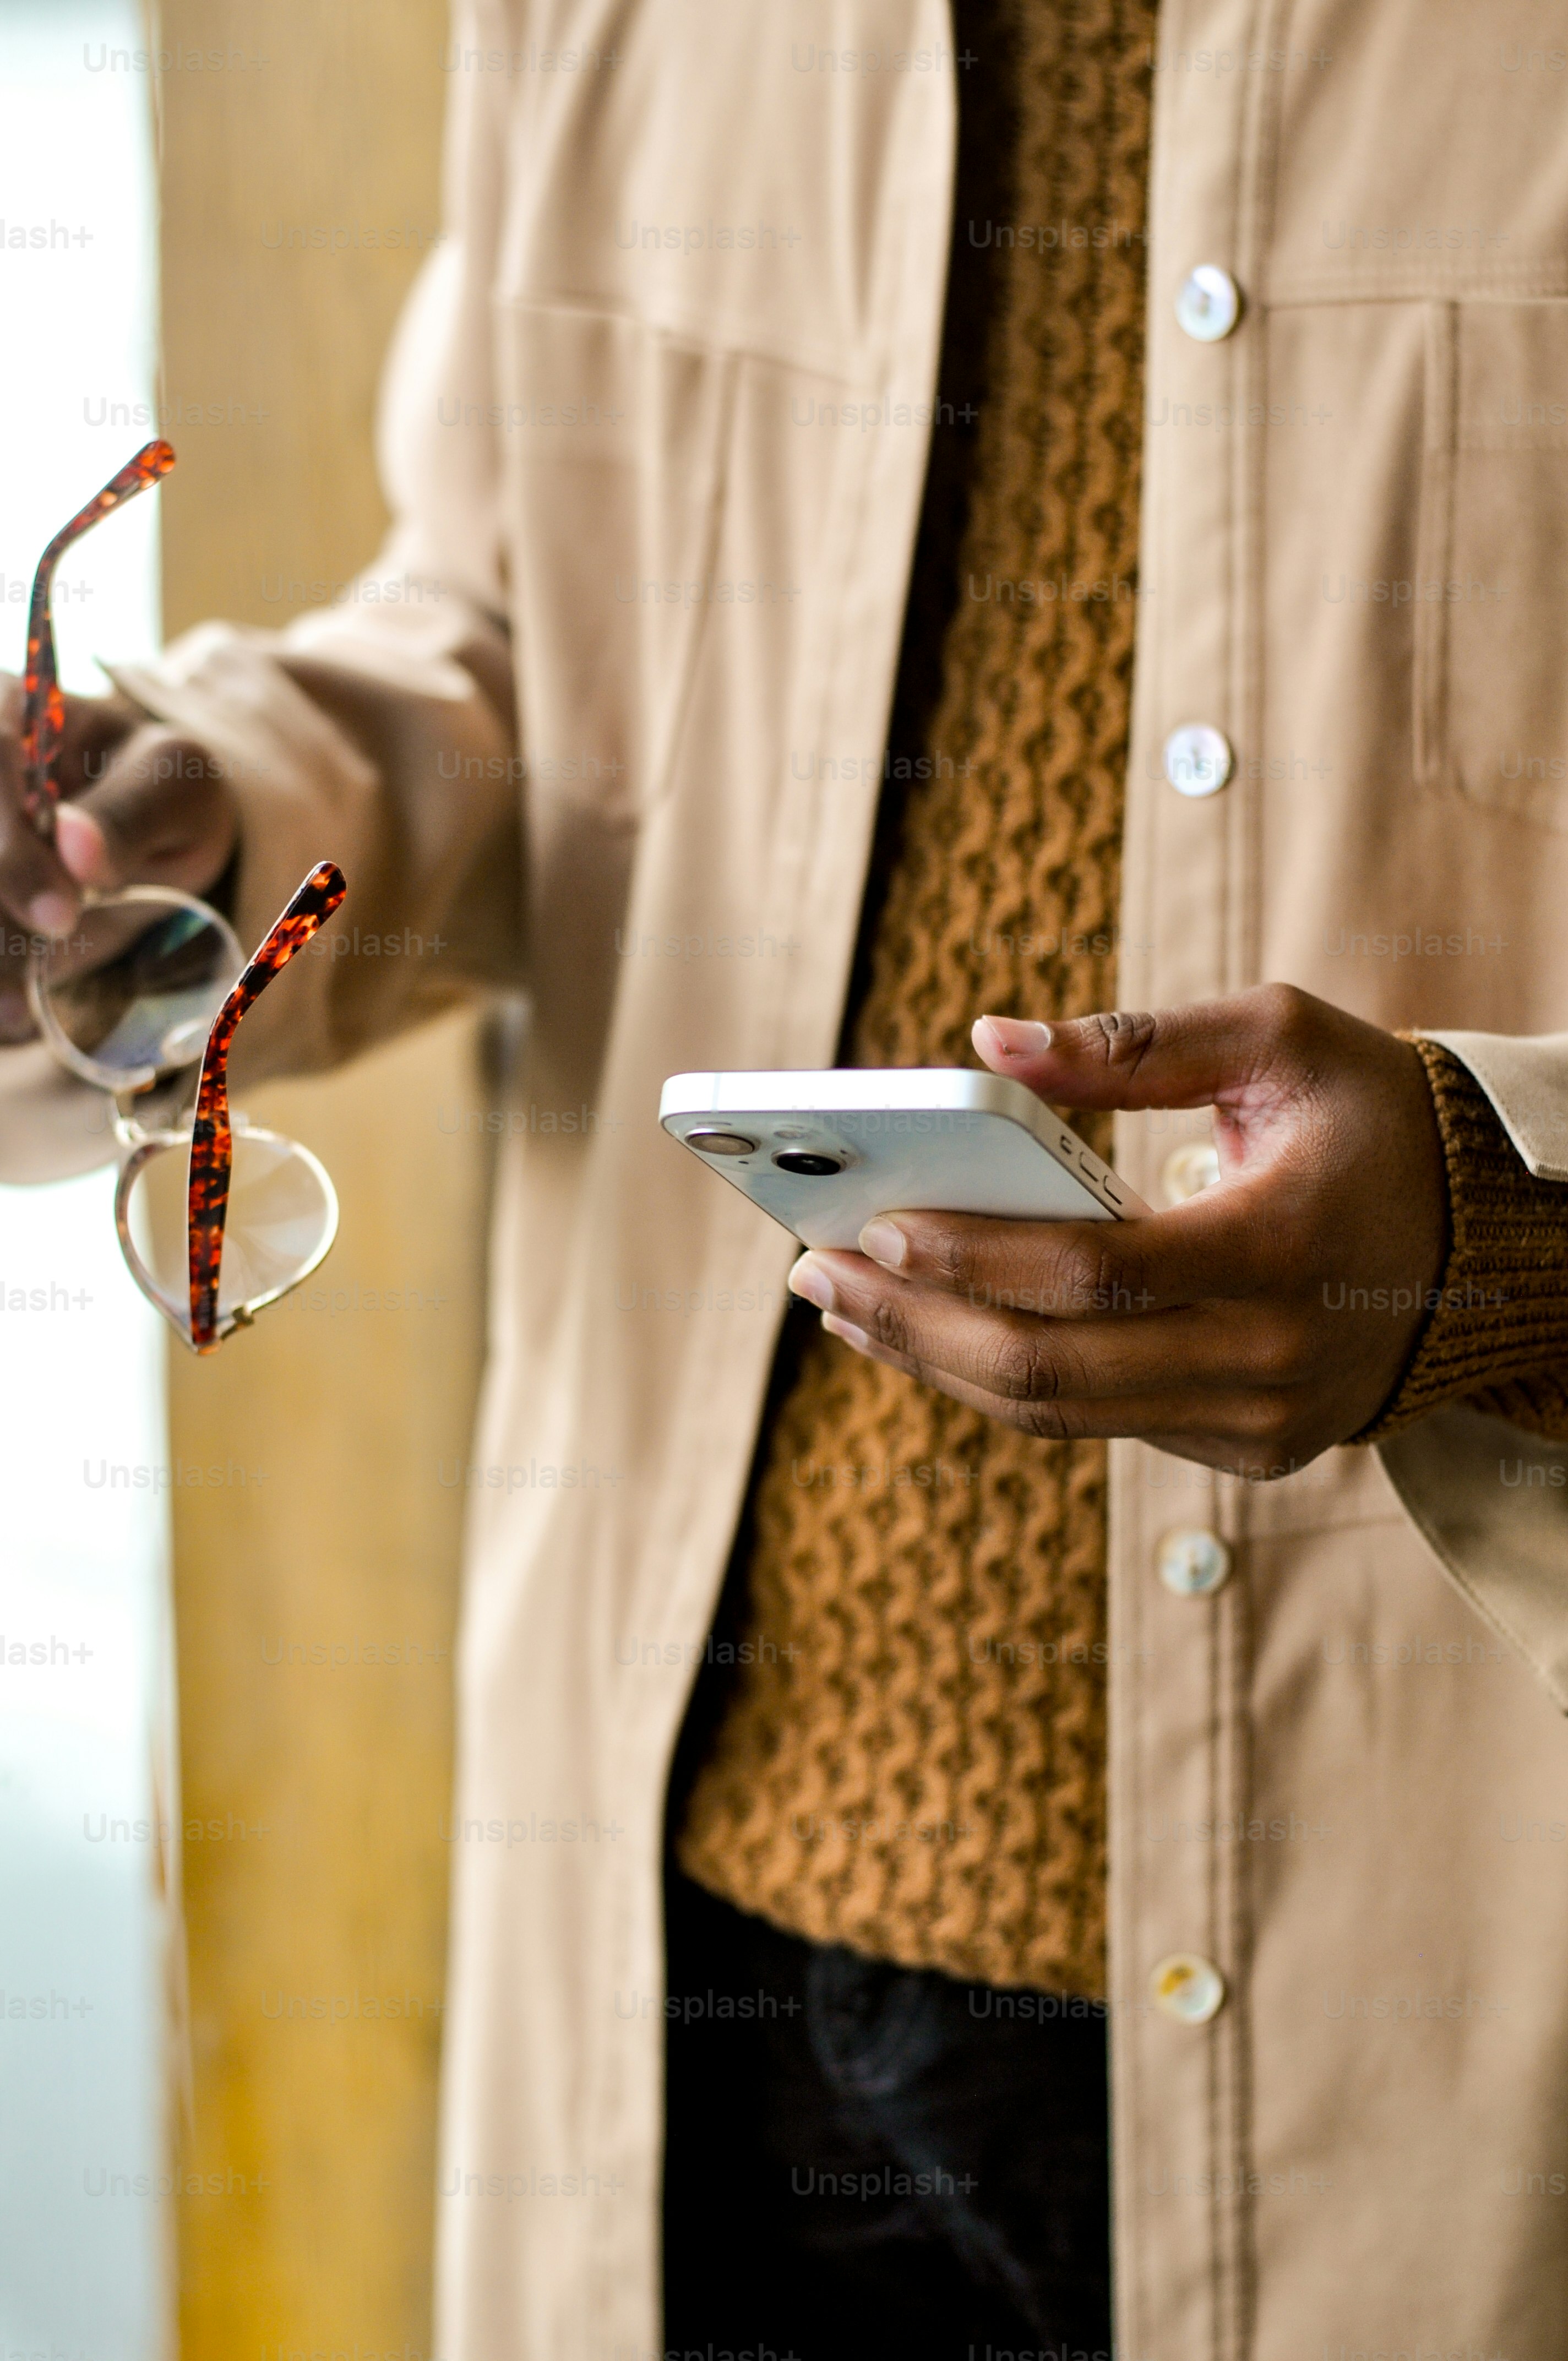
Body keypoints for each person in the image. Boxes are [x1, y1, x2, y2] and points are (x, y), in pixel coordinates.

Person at [6, 2, 1568, 2353]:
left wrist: (1517, 1236)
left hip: (1438, 1995)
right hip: (711, 1960)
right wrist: (215, 807)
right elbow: (513, 631)